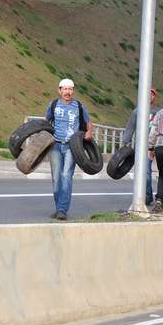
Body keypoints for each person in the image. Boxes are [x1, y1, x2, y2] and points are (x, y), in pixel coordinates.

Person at [45, 78, 94, 221]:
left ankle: (62, 210)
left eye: (70, 89)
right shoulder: (53, 105)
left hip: (72, 146)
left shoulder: (78, 106)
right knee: (56, 178)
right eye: (65, 89)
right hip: (55, 145)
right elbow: (46, 122)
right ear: (59, 90)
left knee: (66, 175)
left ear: (73, 91)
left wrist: (89, 134)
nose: (68, 92)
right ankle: (58, 207)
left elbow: (88, 123)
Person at [122, 87, 160, 205]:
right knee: (145, 171)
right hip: (142, 146)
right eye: (147, 94)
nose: (150, 96)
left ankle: (161, 196)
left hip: (157, 145)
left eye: (152, 95)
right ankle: (148, 195)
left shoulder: (159, 112)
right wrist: (125, 142)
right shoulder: (137, 111)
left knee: (162, 172)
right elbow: (130, 128)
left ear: (155, 97)